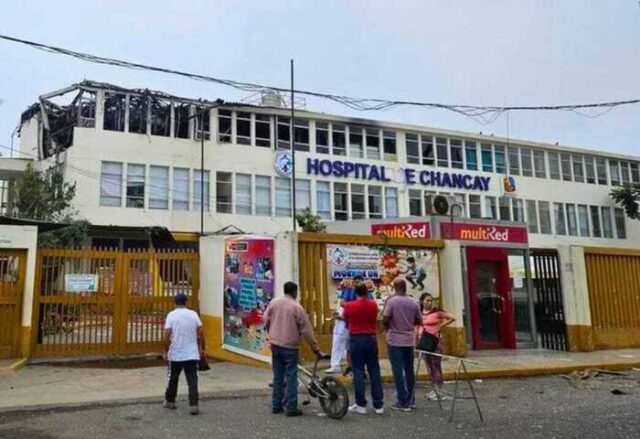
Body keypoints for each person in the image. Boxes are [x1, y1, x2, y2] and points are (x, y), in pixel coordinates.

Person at [264, 281, 321, 417]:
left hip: (275, 344)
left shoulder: (274, 303)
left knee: (278, 376)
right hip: (290, 346)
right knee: (291, 376)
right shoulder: (297, 307)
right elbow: (306, 330)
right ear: (295, 292)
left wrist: (271, 333)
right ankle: (291, 407)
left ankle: (276, 405)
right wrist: (315, 348)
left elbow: (265, 319)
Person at [343, 283, 385, 415]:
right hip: (371, 338)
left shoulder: (349, 306)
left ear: (355, 292)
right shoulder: (373, 305)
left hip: (356, 339)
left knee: (358, 371)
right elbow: (377, 320)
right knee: (374, 371)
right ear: (367, 292)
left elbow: (346, 321)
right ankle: (378, 405)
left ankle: (361, 404)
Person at [383, 279, 422, 412]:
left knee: (397, 370)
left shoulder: (391, 301)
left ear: (395, 287)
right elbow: (419, 320)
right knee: (409, 369)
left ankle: (402, 400)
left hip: (394, 339)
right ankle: (411, 399)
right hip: (409, 340)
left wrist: (389, 329)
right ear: (405, 287)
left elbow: (386, 318)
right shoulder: (414, 302)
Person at [163, 293, 204, 415]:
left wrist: (165, 350)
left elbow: (167, 334)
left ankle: (170, 401)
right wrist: (202, 348)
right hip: (191, 353)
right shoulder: (193, 314)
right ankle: (193, 404)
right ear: (186, 302)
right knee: (192, 379)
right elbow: (201, 333)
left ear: (175, 303)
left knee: (173, 378)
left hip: (176, 353)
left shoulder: (171, 315)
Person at [418, 292, 456, 400]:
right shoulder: (420, 313)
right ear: (422, 301)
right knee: (429, 367)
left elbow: (453, 318)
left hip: (435, 342)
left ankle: (439, 389)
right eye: (427, 301)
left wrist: (440, 326)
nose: (429, 303)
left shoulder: (437, 312)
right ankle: (434, 388)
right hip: (424, 342)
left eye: (431, 300)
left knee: (436, 366)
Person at [325, 303, 348, 374]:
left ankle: (335, 365)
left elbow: (350, 315)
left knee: (337, 346)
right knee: (341, 347)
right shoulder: (343, 297)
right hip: (342, 326)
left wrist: (339, 317)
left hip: (343, 327)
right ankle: (336, 365)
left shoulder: (348, 297)